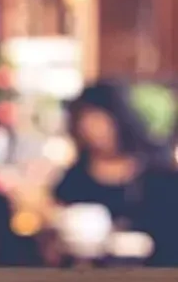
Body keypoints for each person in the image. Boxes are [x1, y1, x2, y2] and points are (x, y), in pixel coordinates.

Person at [54, 81, 178, 263]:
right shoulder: (74, 178)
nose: (93, 130)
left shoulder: (157, 173)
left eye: (100, 119)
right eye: (85, 120)